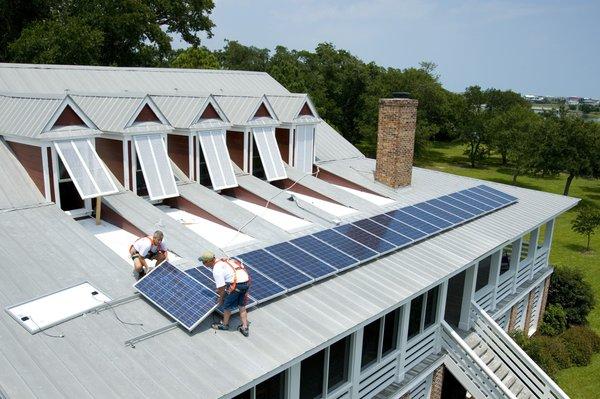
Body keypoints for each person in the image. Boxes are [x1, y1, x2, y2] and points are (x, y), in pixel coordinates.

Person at [200, 250, 251, 337]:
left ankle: (224, 325)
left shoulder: (216, 270)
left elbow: (222, 287)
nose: (203, 264)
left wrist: (220, 299)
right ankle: (245, 327)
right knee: (241, 306)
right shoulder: (222, 260)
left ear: (209, 261)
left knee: (227, 306)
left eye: (204, 262)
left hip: (237, 285)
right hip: (246, 282)